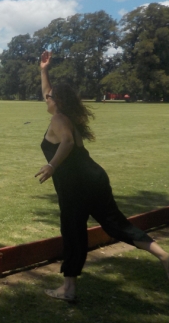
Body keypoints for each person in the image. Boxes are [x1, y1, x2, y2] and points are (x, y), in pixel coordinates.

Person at [35, 50, 169, 302]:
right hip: (94, 178)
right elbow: (49, 94)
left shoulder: (59, 119)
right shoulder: (65, 115)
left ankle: (69, 289)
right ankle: (164, 256)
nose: (46, 99)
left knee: (73, 233)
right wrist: (44, 70)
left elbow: (66, 143)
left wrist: (52, 165)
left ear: (58, 102)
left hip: (76, 184)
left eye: (49, 97)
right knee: (116, 225)